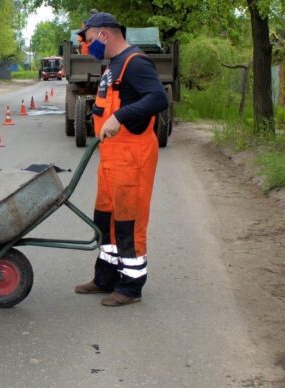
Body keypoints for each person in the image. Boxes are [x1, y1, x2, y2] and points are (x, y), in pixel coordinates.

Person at [74, 13, 168, 306]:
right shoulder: (112, 65)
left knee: (129, 222)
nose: (87, 47)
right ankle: (105, 278)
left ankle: (130, 287)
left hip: (132, 158)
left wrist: (120, 115)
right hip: (112, 159)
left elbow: (157, 98)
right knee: (105, 219)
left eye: (89, 40)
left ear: (104, 34)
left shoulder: (135, 63)